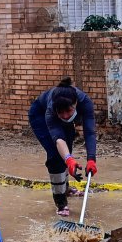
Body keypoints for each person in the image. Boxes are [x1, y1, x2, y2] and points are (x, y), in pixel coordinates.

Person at [28, 77, 97, 216]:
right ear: (56, 109)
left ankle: (65, 188)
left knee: (67, 151)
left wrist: (91, 159)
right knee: (56, 156)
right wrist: (69, 160)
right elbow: (58, 139)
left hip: (60, 115)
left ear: (75, 103)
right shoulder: (50, 110)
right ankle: (60, 202)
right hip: (39, 116)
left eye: (69, 111)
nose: (65, 116)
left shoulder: (85, 102)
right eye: (62, 112)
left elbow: (89, 132)